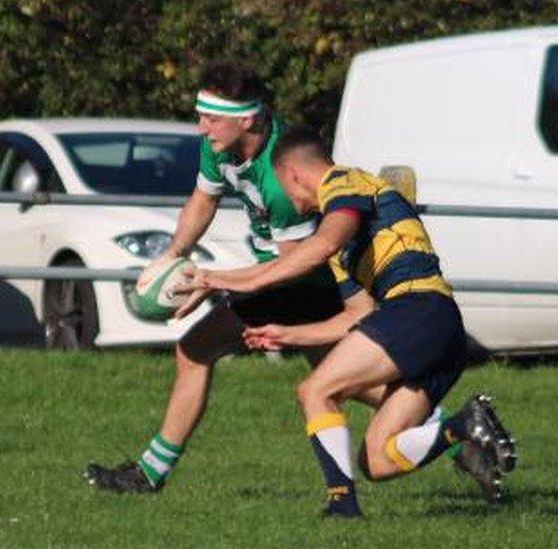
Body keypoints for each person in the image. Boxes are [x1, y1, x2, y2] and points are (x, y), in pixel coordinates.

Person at [173, 128, 518, 517]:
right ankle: (462, 426)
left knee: (316, 391)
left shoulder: (345, 183)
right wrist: (288, 334)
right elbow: (356, 316)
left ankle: (342, 505)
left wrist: (224, 279)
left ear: (292, 174)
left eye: (284, 189)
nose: (288, 201)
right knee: (378, 460)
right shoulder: (347, 239)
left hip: (419, 309)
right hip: (438, 329)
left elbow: (321, 247)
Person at [83, 60, 361, 492]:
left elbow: (292, 265)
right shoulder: (221, 147)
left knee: (196, 348)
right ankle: (458, 431)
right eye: (200, 117)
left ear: (247, 119)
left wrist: (216, 281)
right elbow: (203, 198)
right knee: (345, 380)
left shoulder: (280, 174)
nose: (201, 128)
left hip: (301, 282)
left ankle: (149, 475)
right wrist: (173, 255)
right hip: (284, 277)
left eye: (211, 118)